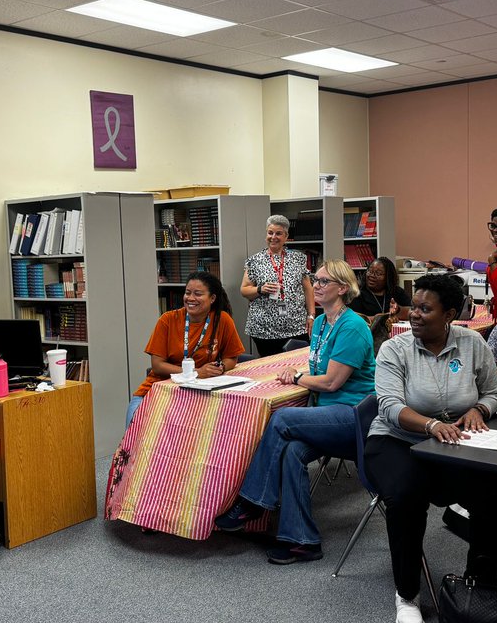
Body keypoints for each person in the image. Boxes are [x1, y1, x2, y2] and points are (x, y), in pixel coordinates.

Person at [363, 273, 497, 623]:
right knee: (406, 497)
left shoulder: (473, 343)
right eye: (414, 306)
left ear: (449, 315)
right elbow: (389, 407)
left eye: (425, 309)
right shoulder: (394, 350)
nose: (414, 314)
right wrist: (429, 425)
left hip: (453, 444)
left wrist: (480, 410)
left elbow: (493, 392)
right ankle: (407, 592)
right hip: (396, 442)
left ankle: (480, 582)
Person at [215, 260, 375, 564]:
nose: (315, 285)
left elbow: (330, 381)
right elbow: (318, 366)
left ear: (343, 288)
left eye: (324, 281)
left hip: (353, 418)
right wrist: (296, 369)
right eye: (315, 279)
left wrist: (299, 378)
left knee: (282, 418)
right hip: (325, 417)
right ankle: (302, 541)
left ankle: (253, 501)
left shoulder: (353, 327)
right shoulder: (321, 323)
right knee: (291, 451)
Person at [125, 271, 245, 429]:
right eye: (188, 292)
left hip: (201, 392)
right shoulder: (167, 320)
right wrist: (195, 373)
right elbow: (157, 365)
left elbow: (231, 358)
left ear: (213, 298)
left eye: (198, 294)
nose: (190, 298)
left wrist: (220, 367)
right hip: (159, 388)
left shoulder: (222, 320)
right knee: (135, 429)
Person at [241, 215, 314, 357]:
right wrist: (260, 289)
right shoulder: (255, 261)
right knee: (270, 368)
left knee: (298, 364)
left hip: (296, 326)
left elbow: (307, 288)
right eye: (270, 233)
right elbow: (244, 290)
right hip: (264, 329)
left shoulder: (298, 258)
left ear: (286, 237)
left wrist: (311, 315)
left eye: (278, 233)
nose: (273, 237)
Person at [349, 256, 411, 322]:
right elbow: (353, 318)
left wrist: (398, 310)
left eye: (378, 273)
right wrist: (382, 319)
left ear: (388, 277)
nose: (372, 275)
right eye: (370, 271)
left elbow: (412, 312)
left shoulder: (396, 291)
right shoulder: (357, 293)